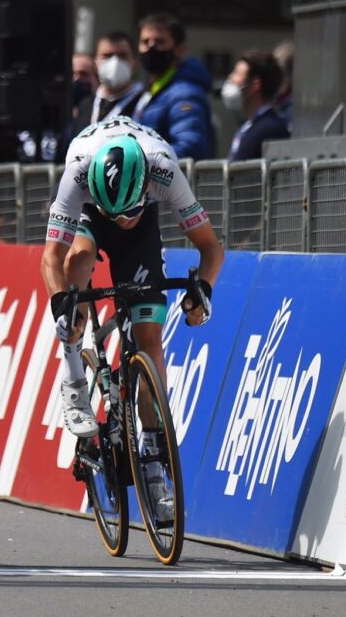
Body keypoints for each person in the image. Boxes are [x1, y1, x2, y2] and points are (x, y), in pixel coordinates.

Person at [40, 116, 224, 518]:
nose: (124, 220)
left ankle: (155, 453)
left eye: (132, 211)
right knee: (79, 262)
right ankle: (73, 377)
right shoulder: (79, 174)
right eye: (117, 215)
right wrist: (62, 304)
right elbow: (50, 257)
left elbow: (211, 249)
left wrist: (203, 290)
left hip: (140, 236)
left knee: (148, 340)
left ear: (147, 187)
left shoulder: (164, 169)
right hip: (91, 215)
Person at [132, 13, 214, 160]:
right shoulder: (150, 91)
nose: (151, 47)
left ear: (179, 49)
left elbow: (191, 146)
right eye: (145, 42)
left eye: (160, 42)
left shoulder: (185, 93)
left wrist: (142, 162)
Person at [223, 51, 291, 162]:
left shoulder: (270, 129)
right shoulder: (250, 126)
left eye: (237, 74)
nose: (230, 78)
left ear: (255, 85)